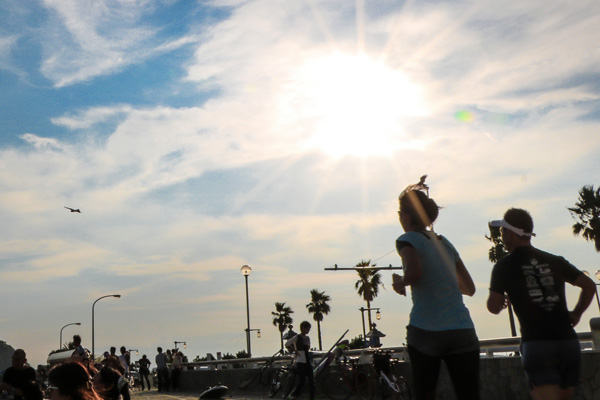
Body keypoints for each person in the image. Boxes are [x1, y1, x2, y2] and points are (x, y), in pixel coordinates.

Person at [486, 208, 596, 400]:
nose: (502, 237)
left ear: (513, 233)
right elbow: (588, 285)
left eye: (503, 232)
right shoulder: (554, 261)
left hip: (537, 344)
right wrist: (577, 313)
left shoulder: (503, 266)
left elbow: (493, 307)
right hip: (567, 342)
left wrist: (500, 300)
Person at [392, 178, 480, 400]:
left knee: (425, 393)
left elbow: (414, 273)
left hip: (426, 329)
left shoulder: (407, 239)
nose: (400, 217)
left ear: (407, 216)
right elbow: (469, 288)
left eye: (400, 212)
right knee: (469, 394)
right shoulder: (445, 242)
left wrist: (401, 282)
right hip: (462, 329)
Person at [285, 321, 314, 400]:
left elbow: (308, 347)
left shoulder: (307, 338)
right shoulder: (297, 337)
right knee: (302, 380)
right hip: (300, 361)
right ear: (303, 328)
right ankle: (295, 394)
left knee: (312, 380)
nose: (308, 330)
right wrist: (295, 350)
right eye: (307, 328)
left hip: (307, 359)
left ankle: (312, 397)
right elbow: (287, 343)